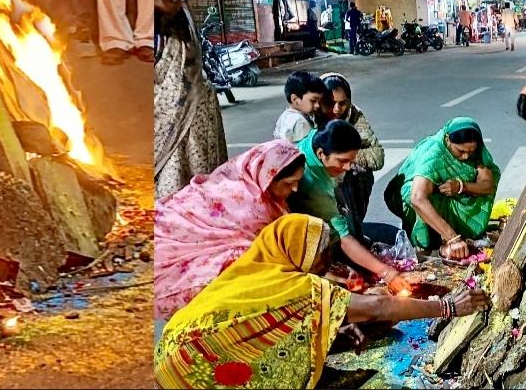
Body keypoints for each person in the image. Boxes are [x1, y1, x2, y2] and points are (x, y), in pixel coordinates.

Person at [156, 212, 488, 390]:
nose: (327, 262)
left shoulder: (255, 268)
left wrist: (330, 329)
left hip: (169, 354)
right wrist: (448, 306)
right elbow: (377, 308)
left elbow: (262, 329)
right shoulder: (297, 285)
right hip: (193, 370)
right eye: (321, 253)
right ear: (296, 252)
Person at [155, 140, 304, 320]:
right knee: (251, 263)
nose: (295, 189)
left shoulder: (257, 185)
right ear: (268, 177)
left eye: (297, 182)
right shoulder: (248, 204)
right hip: (171, 246)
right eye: (289, 183)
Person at [284, 122, 412, 290]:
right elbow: (342, 237)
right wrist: (386, 272)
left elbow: (333, 184)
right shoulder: (312, 185)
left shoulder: (317, 140)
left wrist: (341, 203)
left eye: (351, 160)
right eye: (342, 161)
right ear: (321, 154)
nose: (348, 167)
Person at [154, 0, 227, 200]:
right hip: (169, 134)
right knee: (174, 195)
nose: (181, 3)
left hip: (200, 124)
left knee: (205, 193)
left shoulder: (180, 15)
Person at [392, 118, 501, 259]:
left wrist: (462, 186)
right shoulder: (434, 154)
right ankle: (430, 240)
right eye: (461, 151)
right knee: (415, 193)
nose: (466, 156)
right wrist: (452, 238)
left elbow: (487, 185)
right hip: (426, 198)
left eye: (470, 151)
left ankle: (458, 235)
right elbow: (417, 198)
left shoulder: (478, 152)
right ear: (448, 139)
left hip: (455, 196)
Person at [320, 74, 385, 236]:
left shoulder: (354, 116)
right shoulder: (310, 117)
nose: (337, 109)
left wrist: (345, 157)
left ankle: (353, 228)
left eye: (342, 103)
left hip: (345, 180)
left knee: (357, 172)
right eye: (331, 103)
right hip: (318, 177)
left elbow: (377, 157)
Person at [273, 70, 327, 142]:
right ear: (295, 99)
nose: (317, 105)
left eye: (319, 102)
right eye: (313, 101)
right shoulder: (300, 122)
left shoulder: (284, 116)